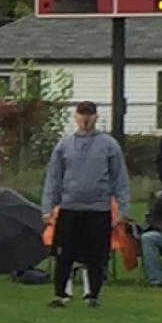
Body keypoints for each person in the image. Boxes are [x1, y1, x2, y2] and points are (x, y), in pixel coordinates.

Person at [41, 99, 130, 307]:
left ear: (96, 117)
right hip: (70, 208)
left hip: (98, 210)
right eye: (82, 114)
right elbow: (53, 178)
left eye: (90, 114)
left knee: (96, 257)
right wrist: (47, 207)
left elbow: (120, 179)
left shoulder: (109, 145)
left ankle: (93, 296)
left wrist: (122, 209)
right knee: (64, 255)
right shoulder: (64, 145)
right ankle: (60, 294)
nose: (86, 118)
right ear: (76, 117)